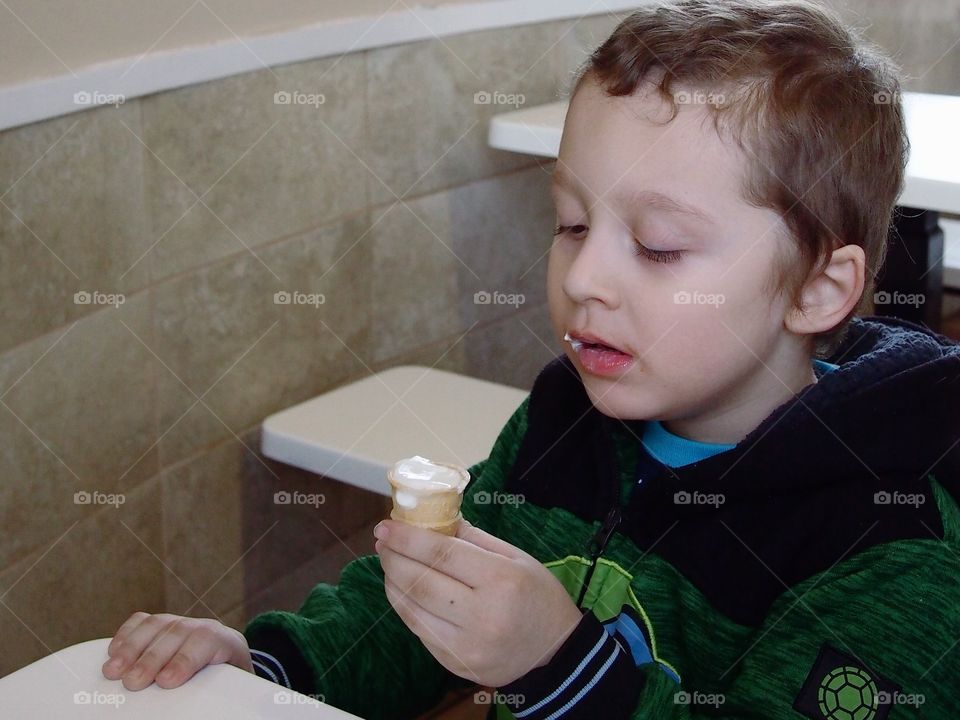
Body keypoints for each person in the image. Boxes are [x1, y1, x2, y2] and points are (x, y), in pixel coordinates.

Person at [102, 1, 960, 717]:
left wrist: (560, 665)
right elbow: (430, 604)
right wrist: (270, 667)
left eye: (658, 247)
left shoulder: (896, 544)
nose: (583, 277)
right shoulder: (563, 420)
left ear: (815, 290)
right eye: (573, 224)